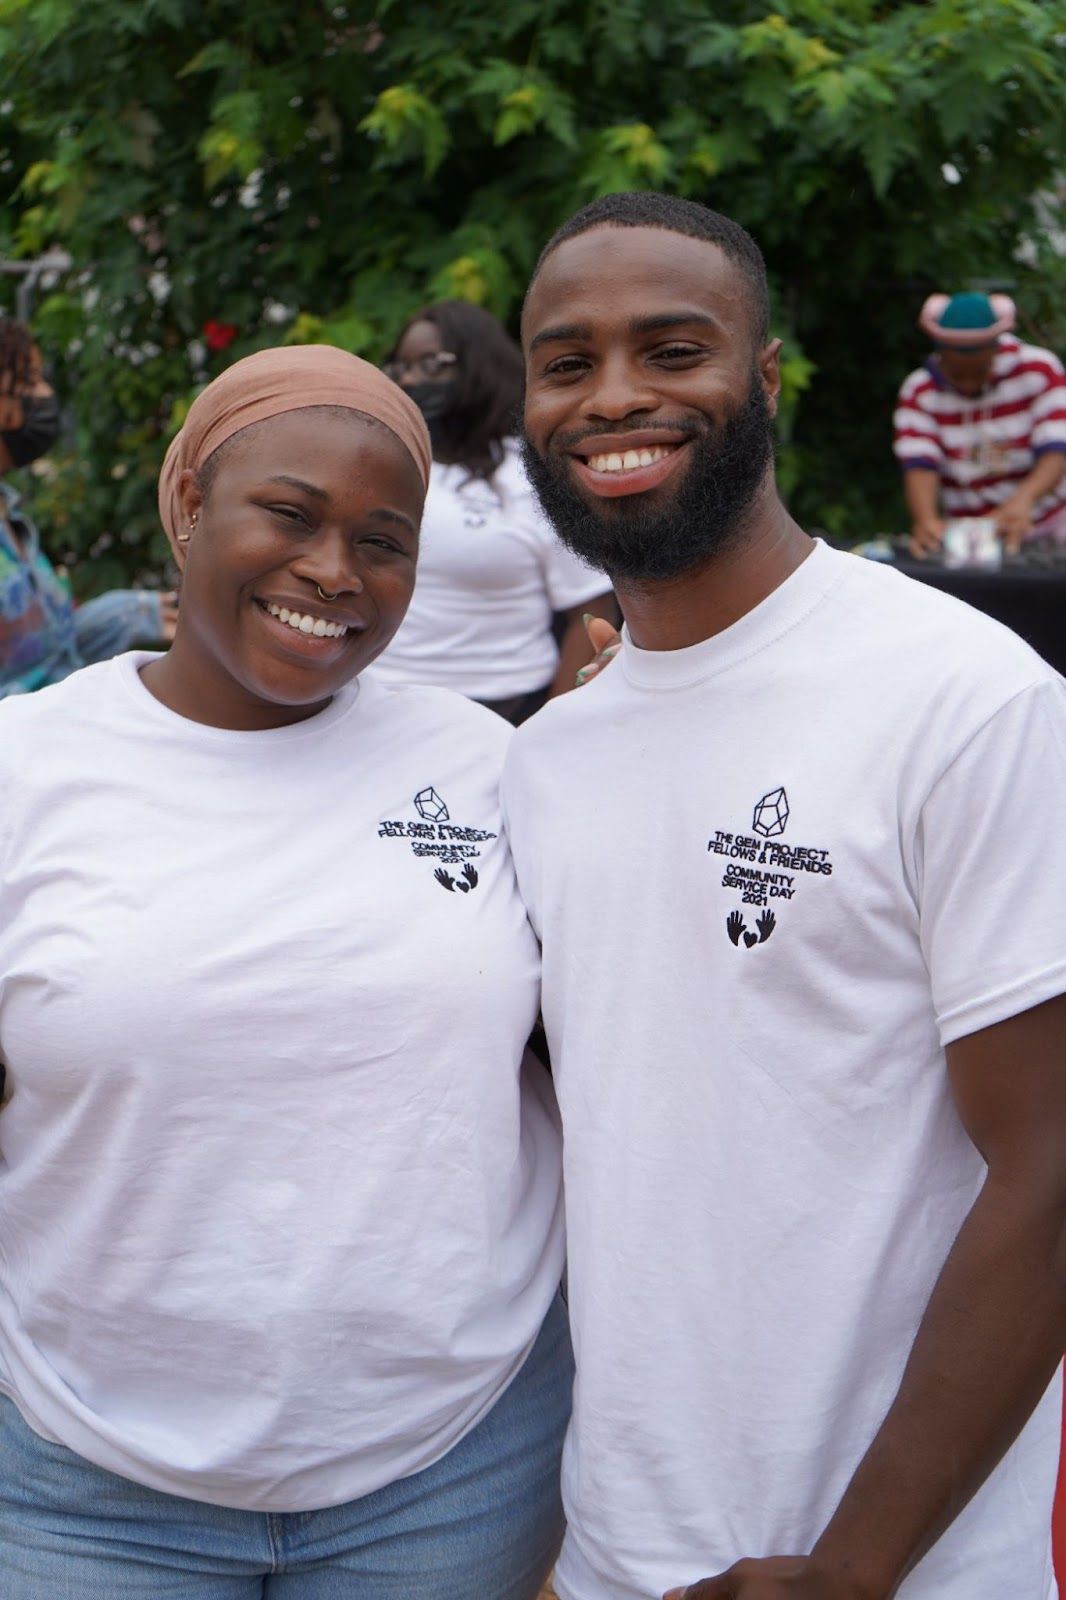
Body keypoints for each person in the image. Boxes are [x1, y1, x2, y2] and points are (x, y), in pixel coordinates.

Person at [504, 191, 1066, 1600]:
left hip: (898, 1566)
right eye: (565, 363)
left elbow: (1051, 1164)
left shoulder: (966, 698)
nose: (612, 395)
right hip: (616, 1547)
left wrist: (852, 1567)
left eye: (670, 348)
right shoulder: (548, 756)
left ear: (761, 377)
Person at [0, 344, 570, 1597]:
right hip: (87, 1483)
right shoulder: (29, 766)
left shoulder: (487, 764)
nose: (334, 571)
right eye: (290, 515)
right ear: (191, 501)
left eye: (384, 540)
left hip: (451, 1469)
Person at [373, 300, 613, 722]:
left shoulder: (537, 475)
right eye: (400, 367)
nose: (411, 379)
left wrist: (552, 725)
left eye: (431, 363)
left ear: (479, 365)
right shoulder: (385, 463)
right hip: (375, 705)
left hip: (505, 710)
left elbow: (590, 612)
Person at [1, 315, 177, 697]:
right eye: (31, 379)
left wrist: (116, 618)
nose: (45, 393)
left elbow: (42, 664)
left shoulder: (11, 519)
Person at [893, 292, 1066, 555]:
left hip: (1050, 521)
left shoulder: (1039, 370)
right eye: (957, 374)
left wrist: (1022, 502)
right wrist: (927, 521)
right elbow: (919, 464)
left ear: (996, 347)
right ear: (941, 351)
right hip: (970, 537)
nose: (968, 384)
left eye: (978, 372)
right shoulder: (920, 391)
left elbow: (1057, 448)